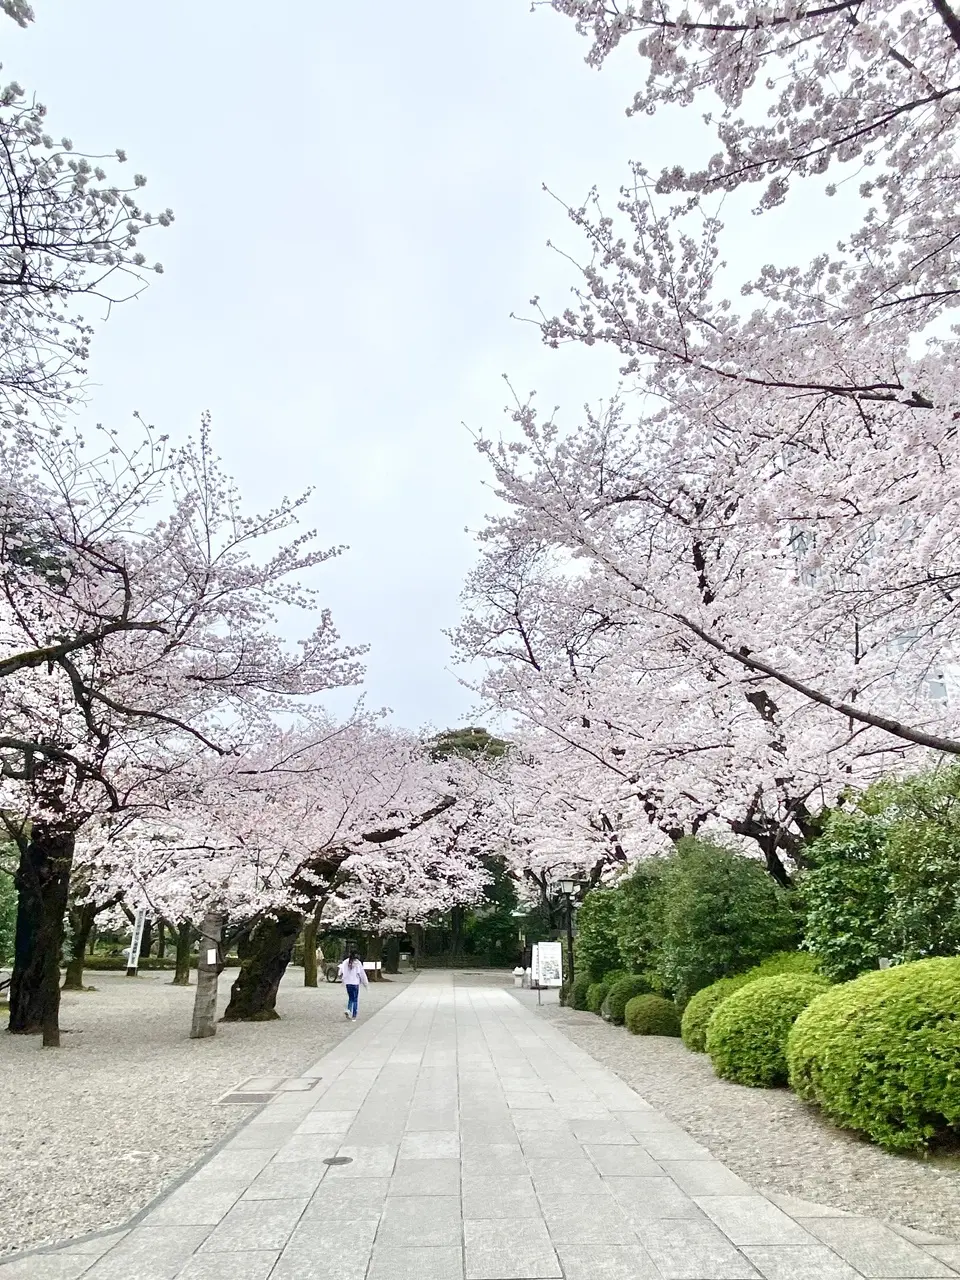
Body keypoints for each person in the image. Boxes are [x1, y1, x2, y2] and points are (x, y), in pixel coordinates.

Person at [337, 950, 368, 1020]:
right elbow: (362, 974)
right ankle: (354, 1015)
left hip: (348, 982)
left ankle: (348, 1010)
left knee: (350, 998)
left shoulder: (345, 962)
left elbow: (341, 971)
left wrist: (342, 977)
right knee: (355, 999)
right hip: (355, 983)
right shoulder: (358, 963)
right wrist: (365, 983)